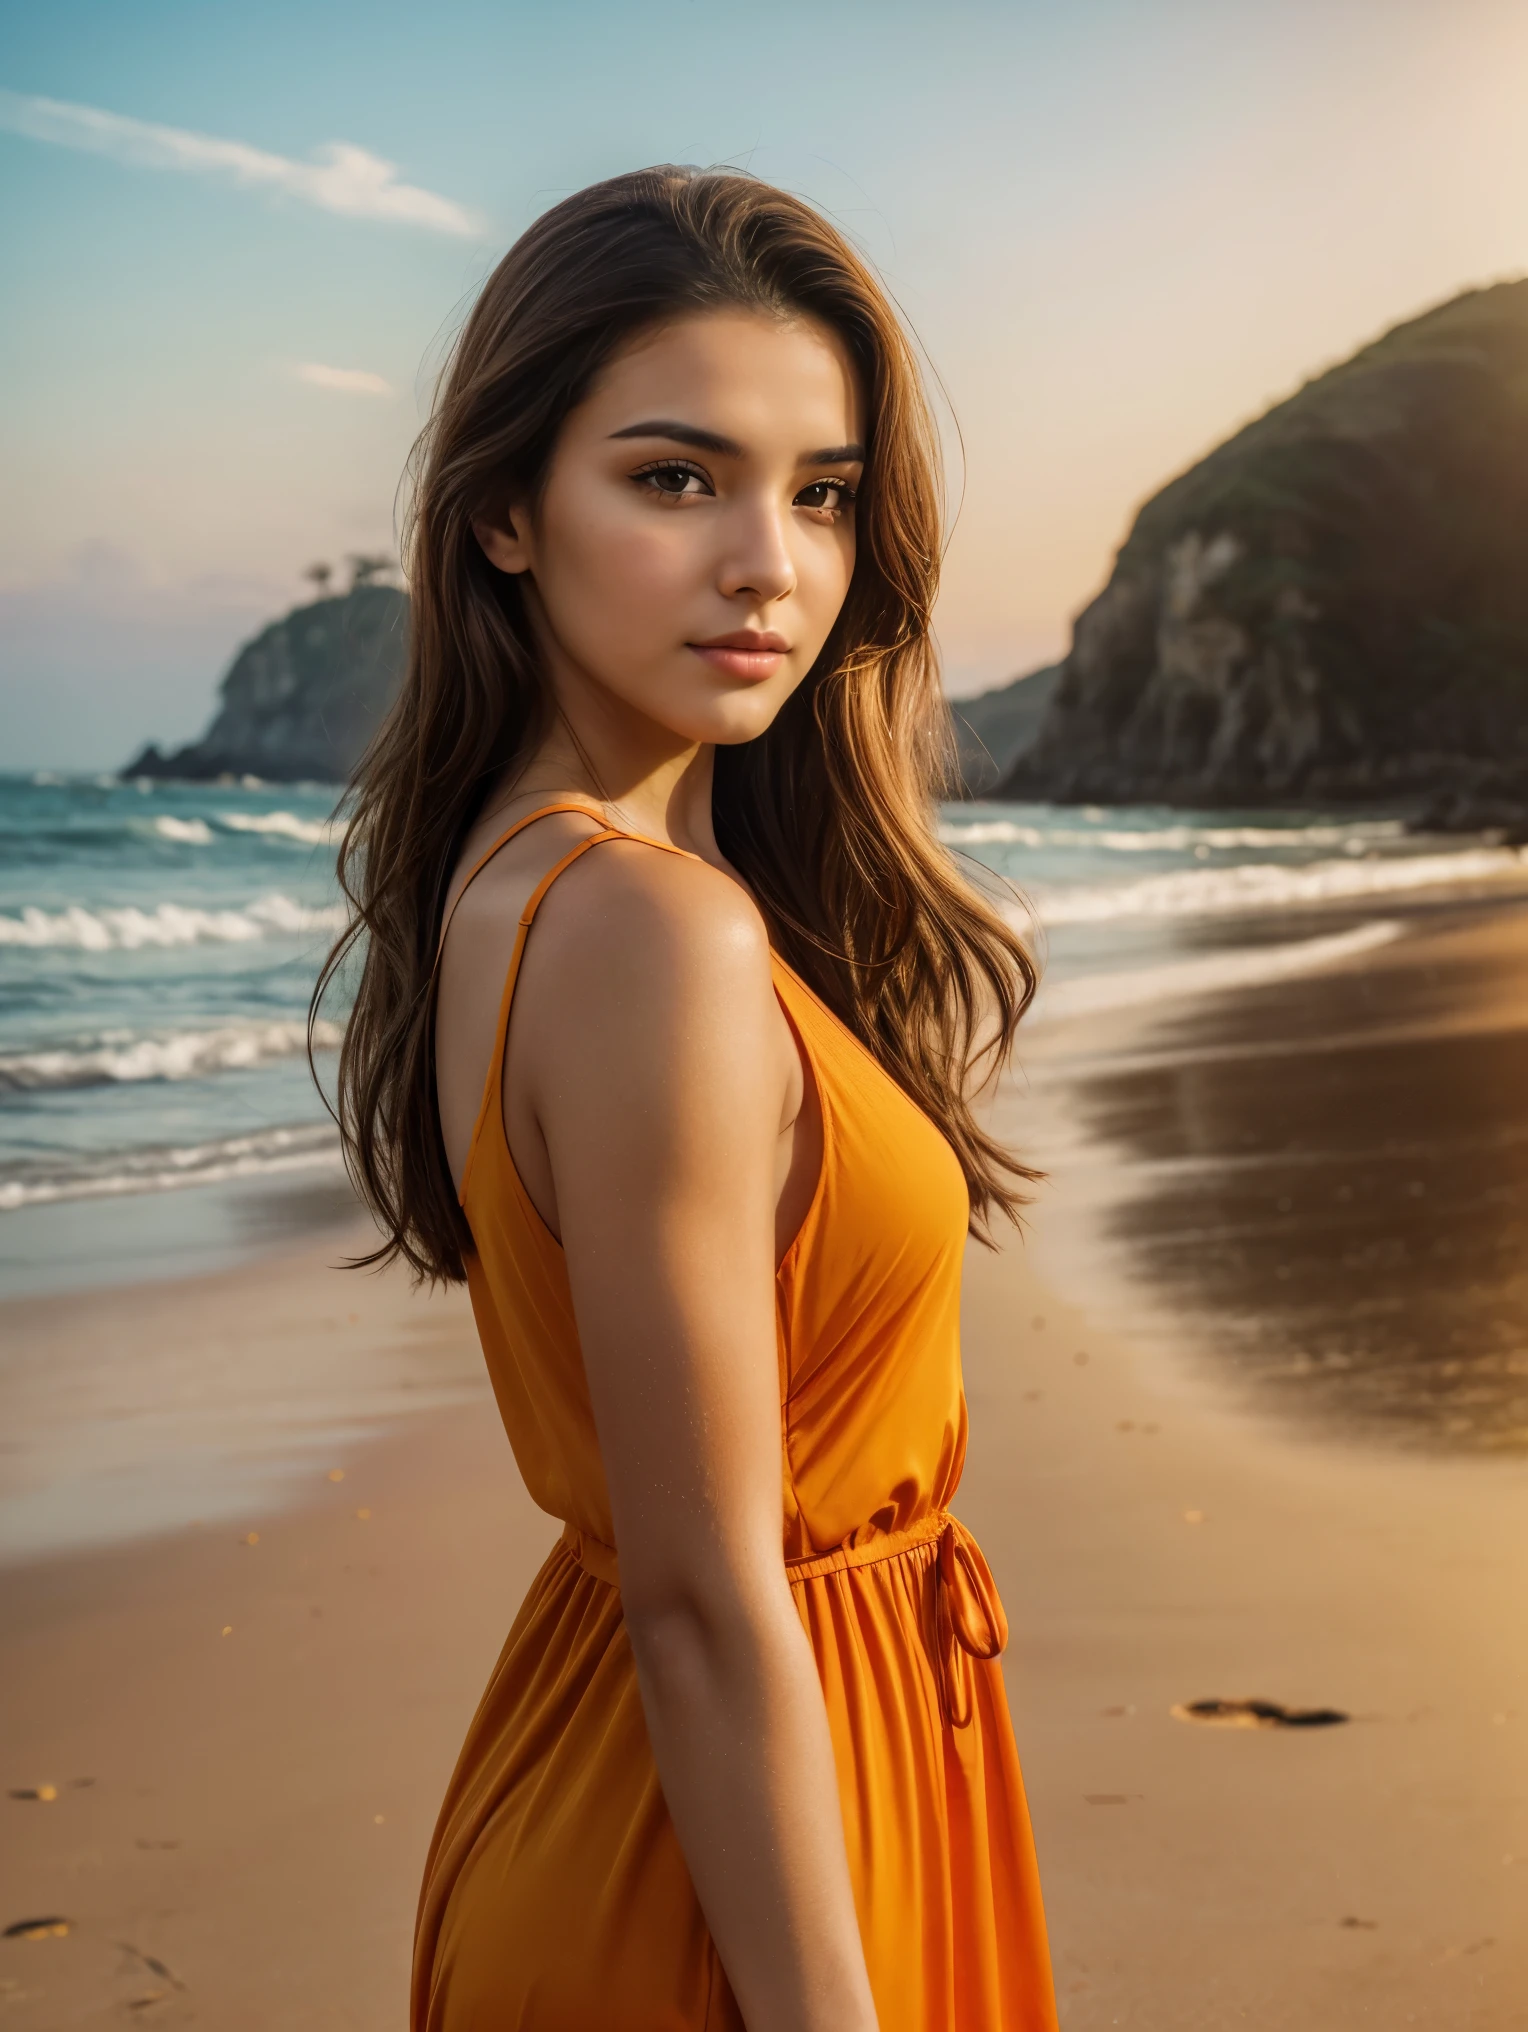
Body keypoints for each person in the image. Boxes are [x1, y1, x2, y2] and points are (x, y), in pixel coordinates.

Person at [318, 164, 1058, 2032]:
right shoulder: (651, 933)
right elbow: (708, 1598)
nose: (771, 564)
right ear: (502, 510)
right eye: (675, 479)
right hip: (724, 1855)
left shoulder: (523, 890)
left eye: (820, 493)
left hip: (654, 1785)